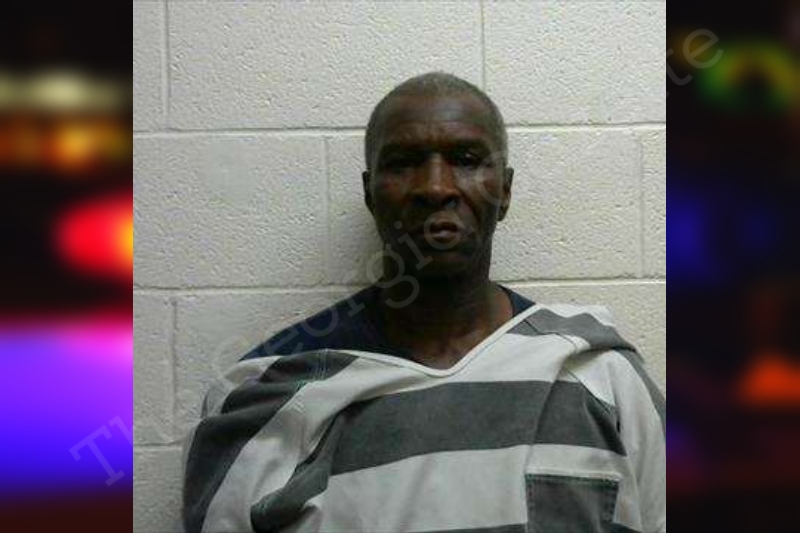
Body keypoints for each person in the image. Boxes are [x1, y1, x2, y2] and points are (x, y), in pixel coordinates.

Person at [182, 72, 666, 533]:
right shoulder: (269, 395)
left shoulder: (601, 376)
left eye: (467, 159)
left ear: (505, 191)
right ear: (370, 193)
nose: (435, 187)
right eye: (402, 162)